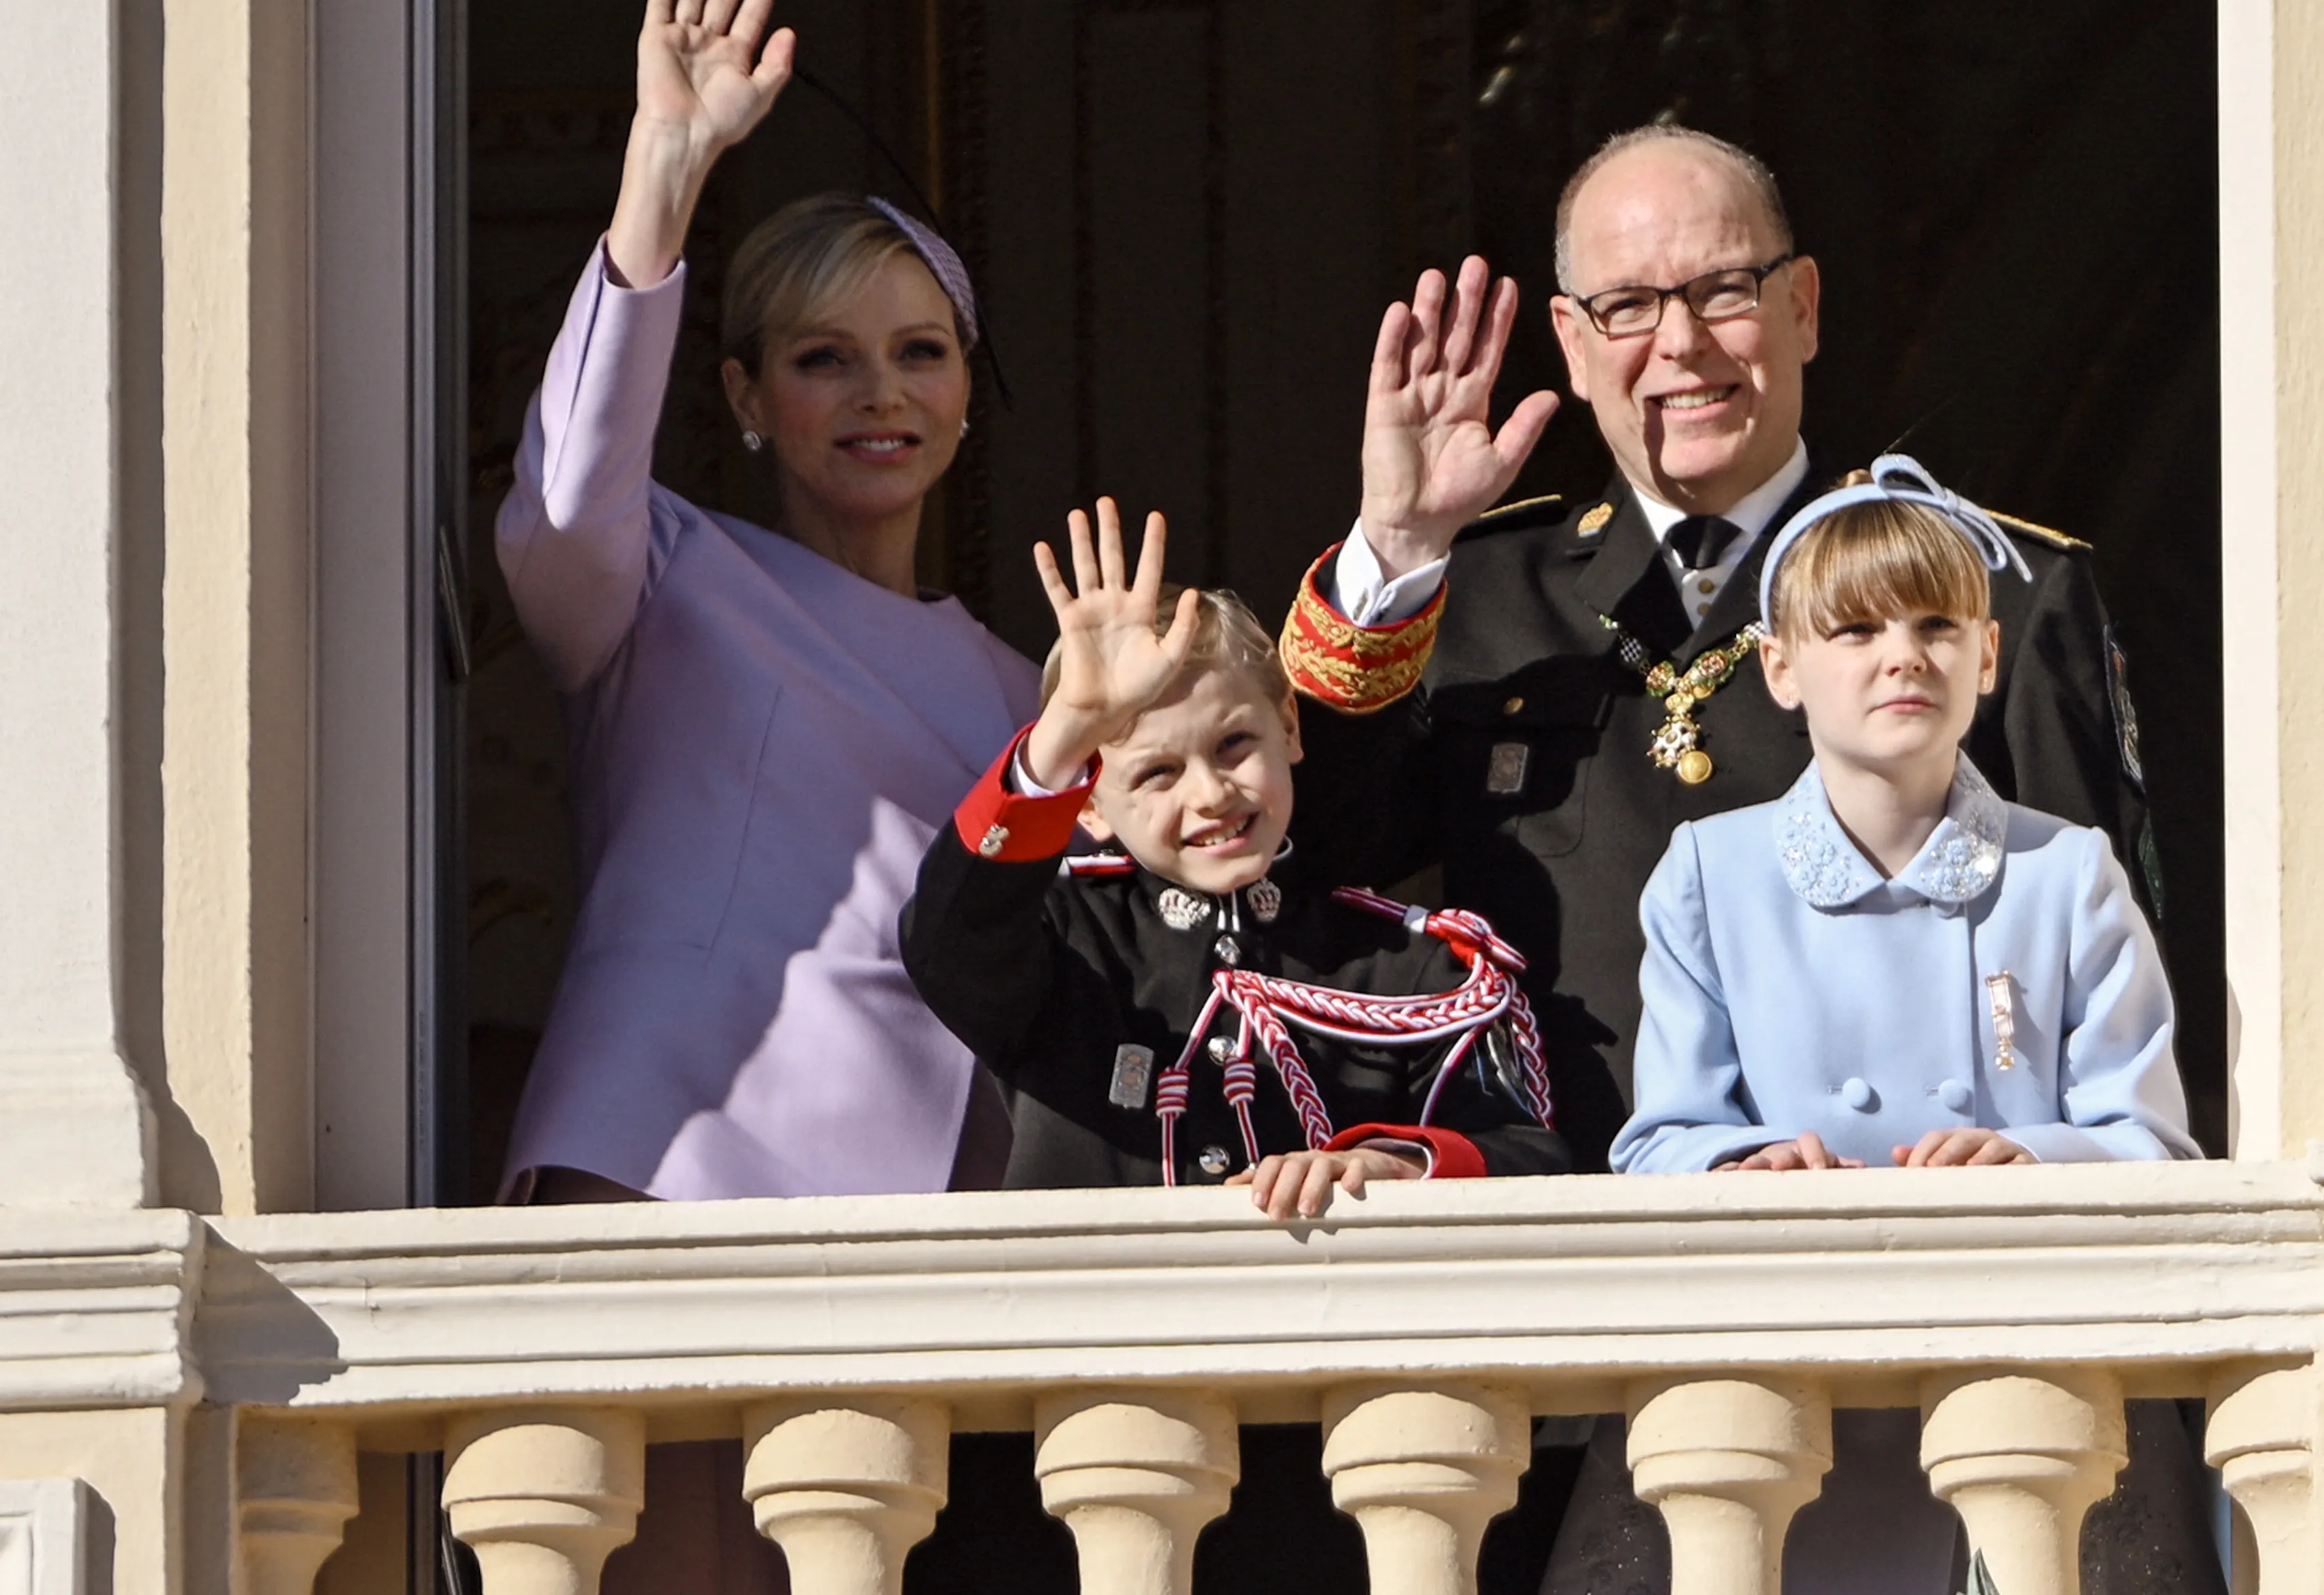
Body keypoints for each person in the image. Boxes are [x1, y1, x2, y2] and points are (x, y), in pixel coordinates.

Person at [1274, 123, 2213, 1594]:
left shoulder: (1997, 587)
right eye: (1630, 308)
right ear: (1575, 344)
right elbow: (1304, 883)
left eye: (1722, 289)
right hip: (1566, 1335)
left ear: (1805, 308)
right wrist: (1395, 540)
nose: (1682, 346)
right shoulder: (1469, 588)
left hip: (1940, 1338)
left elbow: (2122, 968)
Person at [496, 0, 1036, 1209]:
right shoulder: (660, 575)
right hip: (671, 1149)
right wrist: (664, 169)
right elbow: (566, 502)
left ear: (964, 394)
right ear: (746, 393)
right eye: (823, 358)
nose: (881, 392)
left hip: (927, 1201)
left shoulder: (1035, 692)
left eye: (919, 351)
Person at [902, 500, 1569, 1214]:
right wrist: (1061, 737)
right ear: (1089, 803)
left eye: (1234, 746)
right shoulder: (1065, 940)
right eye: (1158, 773)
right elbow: (946, 943)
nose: (1211, 793)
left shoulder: (1408, 962)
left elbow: (1531, 1154)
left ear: (1288, 727)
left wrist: (1393, 1161)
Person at [1610, 456, 2198, 1180]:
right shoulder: (1711, 874)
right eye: (1856, 629)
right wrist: (1744, 1165)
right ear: (1780, 667)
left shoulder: (2068, 875)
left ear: (1987, 655)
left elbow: (2151, 1141)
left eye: (1937, 624)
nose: (1905, 657)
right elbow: (1663, 1137)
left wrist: (2032, 1156)